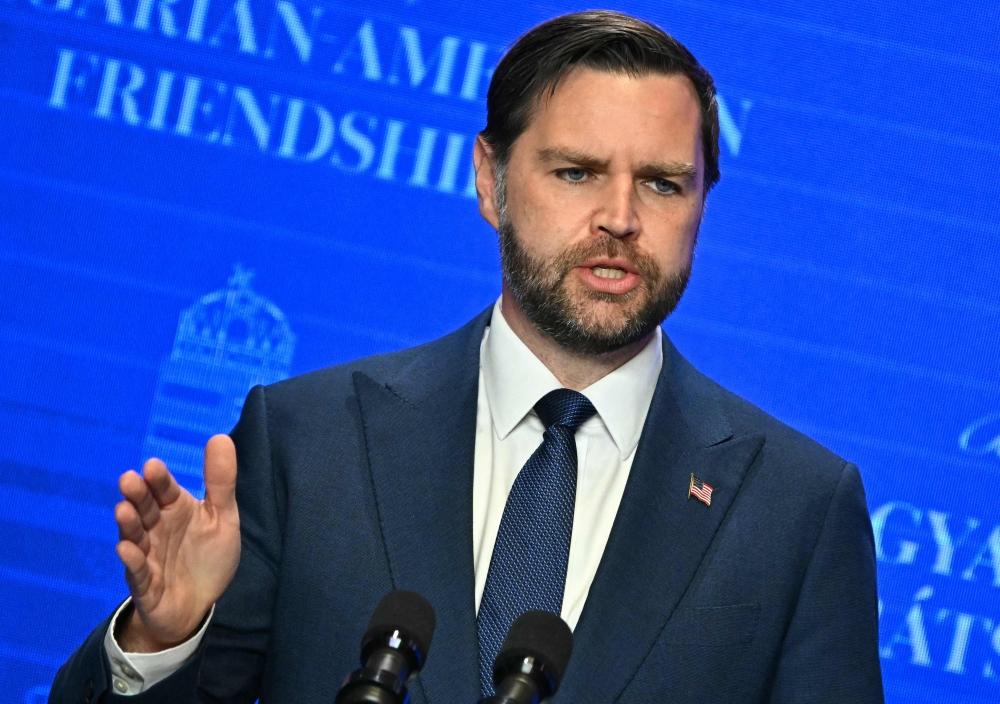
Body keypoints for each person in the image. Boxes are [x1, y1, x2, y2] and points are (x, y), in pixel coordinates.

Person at [50, 10, 883, 704]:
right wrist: (163, 639)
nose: (620, 217)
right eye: (577, 172)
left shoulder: (798, 512)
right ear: (490, 181)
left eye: (664, 183)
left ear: (703, 203)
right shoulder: (309, 441)